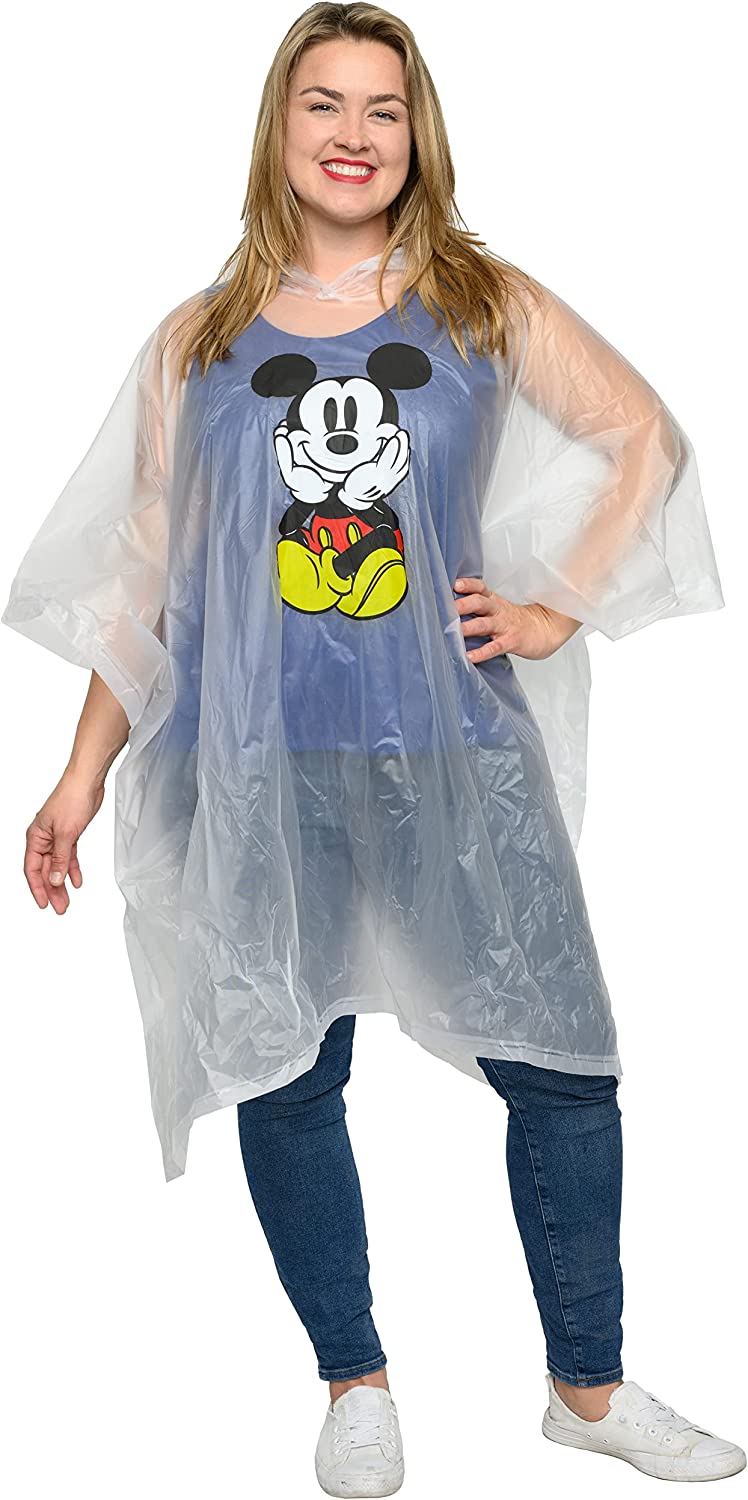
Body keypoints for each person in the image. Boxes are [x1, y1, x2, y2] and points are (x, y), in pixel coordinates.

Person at [3, 3, 744, 1494]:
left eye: (383, 109)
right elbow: (149, 576)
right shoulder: (203, 341)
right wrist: (80, 774)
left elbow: (643, 438)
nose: (353, 135)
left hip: (457, 754)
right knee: (288, 1069)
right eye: (323, 103)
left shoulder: (480, 303)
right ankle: (355, 1381)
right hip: (256, 765)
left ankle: (587, 1385)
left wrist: (556, 606)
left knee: (562, 1060)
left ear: (419, 135)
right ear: (278, 129)